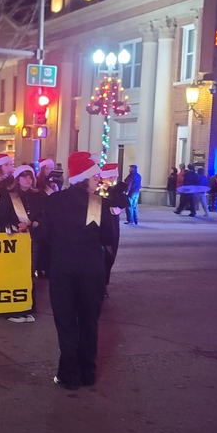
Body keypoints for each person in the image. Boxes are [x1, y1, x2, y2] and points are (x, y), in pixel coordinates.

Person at [35, 152, 124, 391]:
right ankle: (88, 373)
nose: (98, 180)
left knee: (66, 324)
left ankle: (69, 375)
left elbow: (43, 236)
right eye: (95, 175)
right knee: (88, 322)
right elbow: (107, 237)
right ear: (84, 177)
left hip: (63, 269)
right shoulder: (96, 203)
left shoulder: (54, 201)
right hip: (90, 269)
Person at [4, 164, 45, 323]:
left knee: (30, 272)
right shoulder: (10, 196)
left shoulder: (39, 196)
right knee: (15, 272)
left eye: (30, 177)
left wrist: (34, 222)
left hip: (32, 238)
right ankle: (13, 309)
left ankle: (28, 307)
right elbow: (3, 217)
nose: (28, 180)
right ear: (18, 179)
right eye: (24, 176)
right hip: (15, 239)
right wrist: (16, 224)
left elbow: (43, 215)